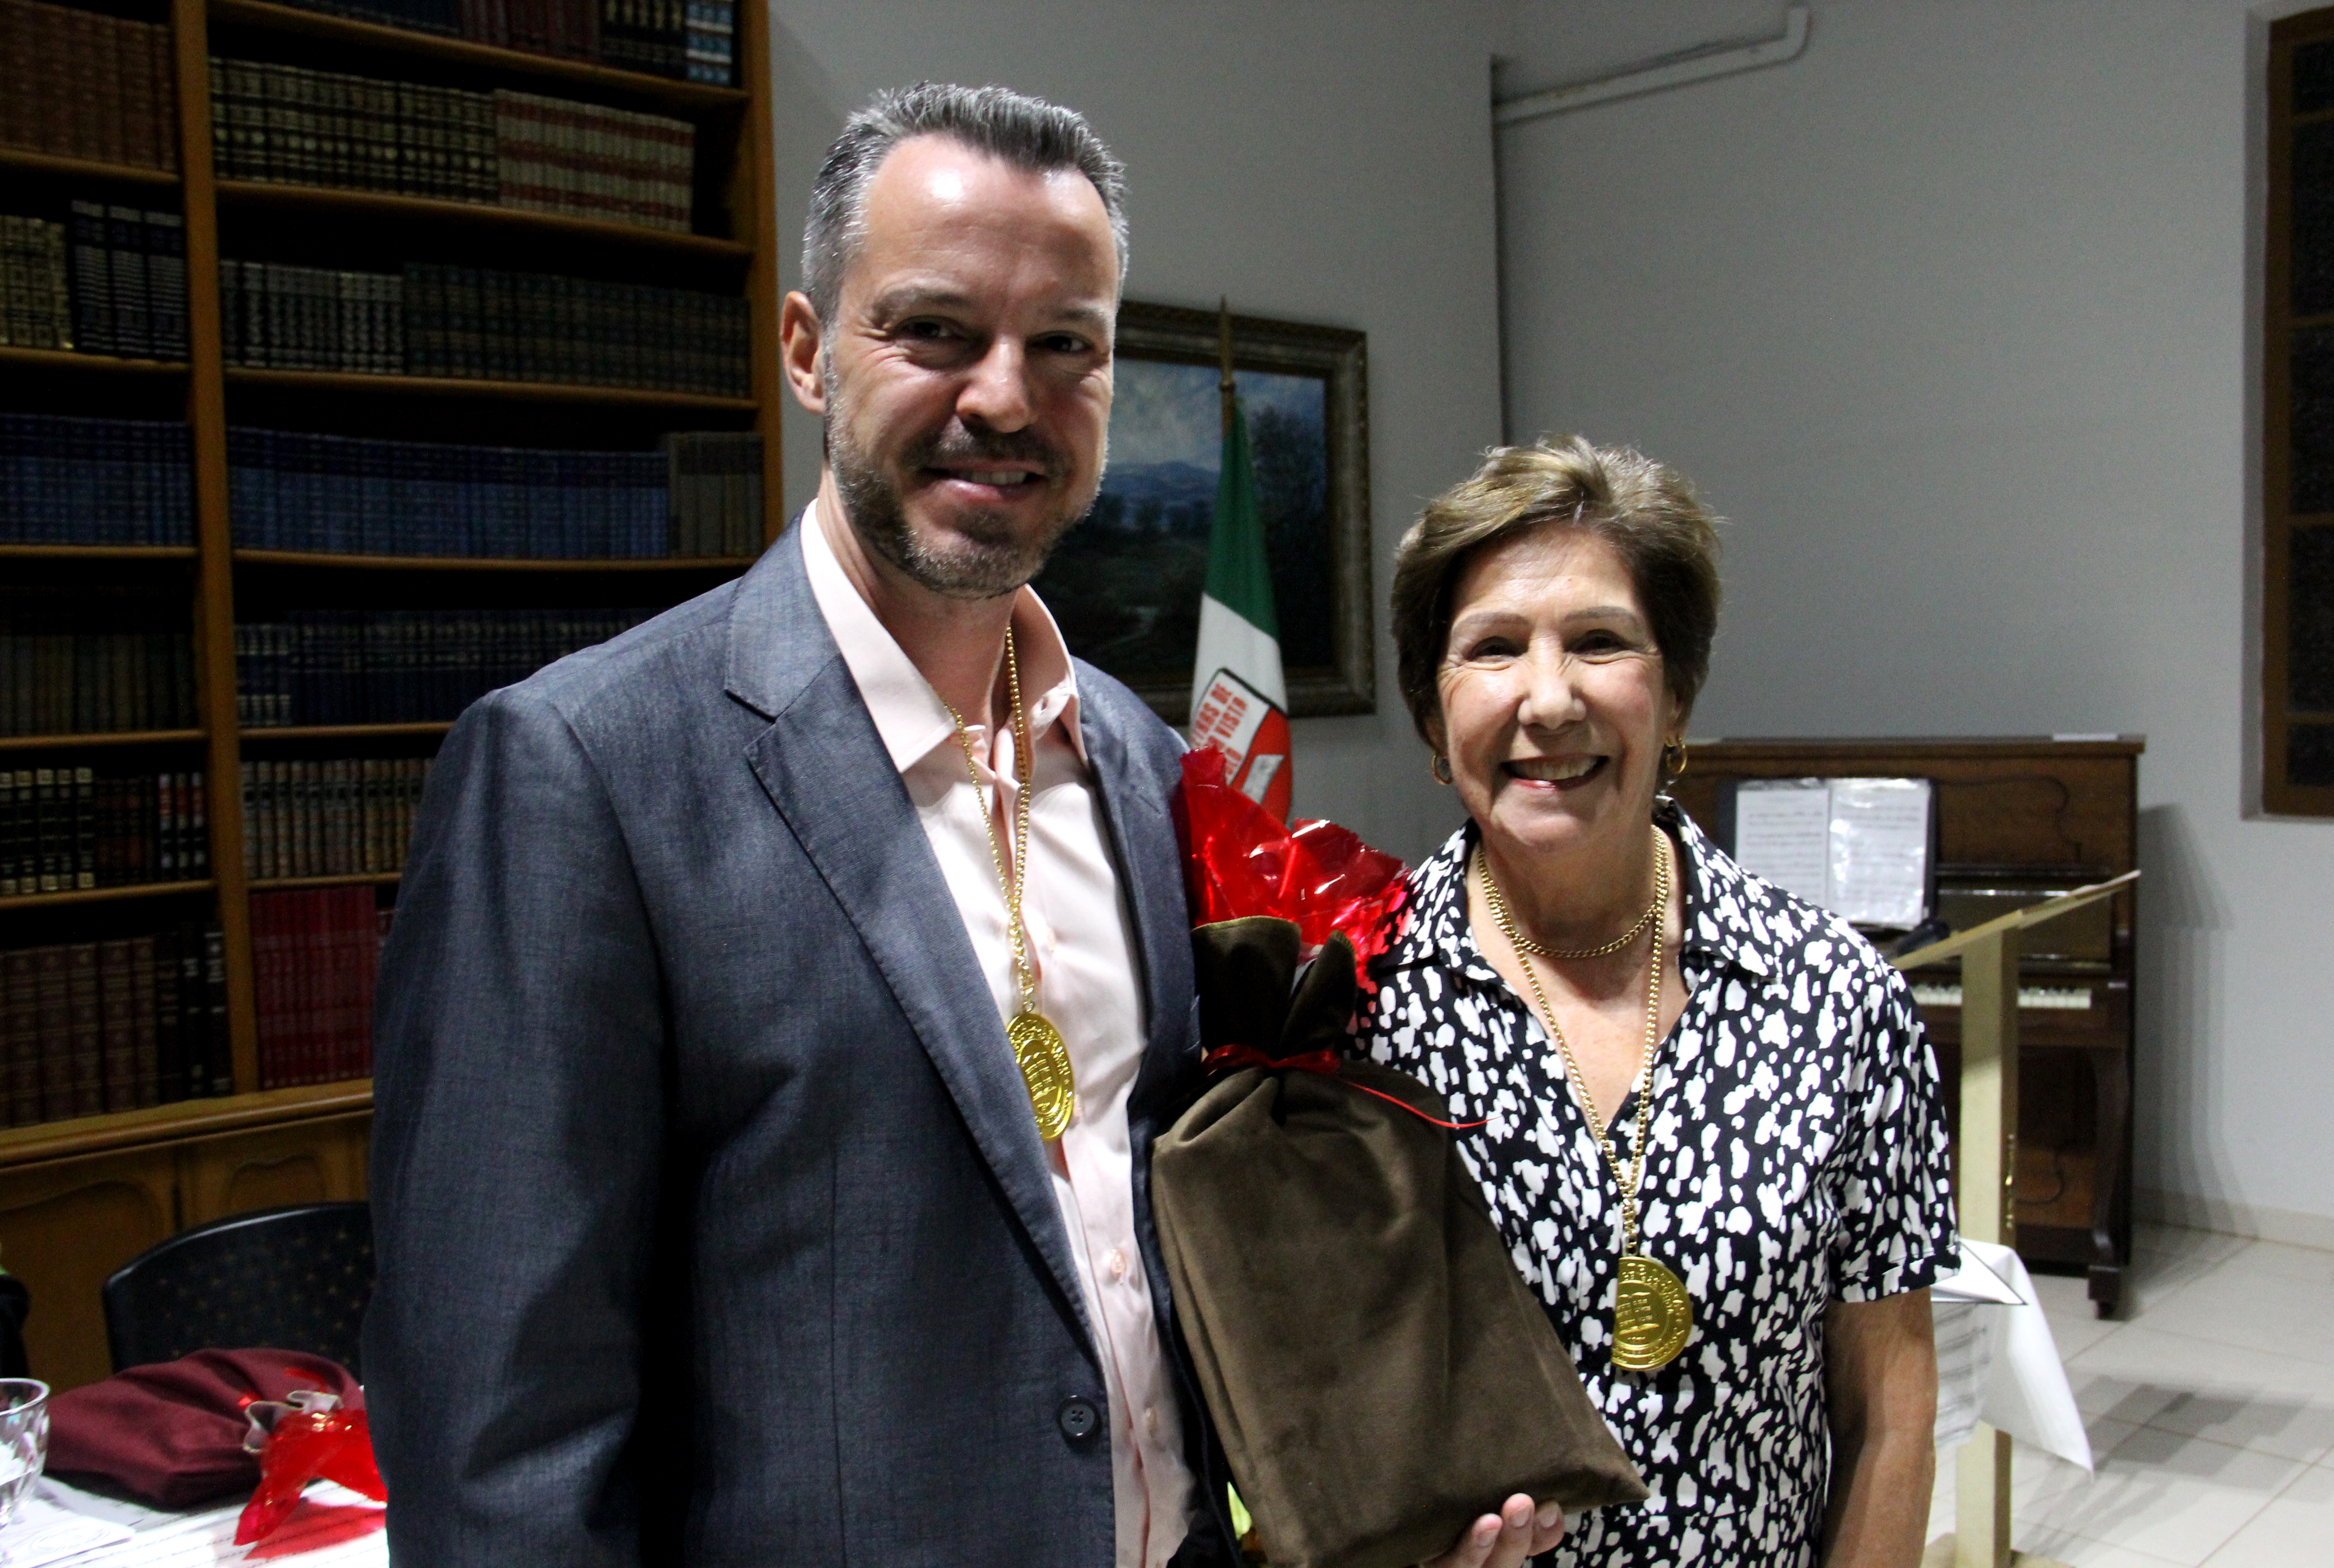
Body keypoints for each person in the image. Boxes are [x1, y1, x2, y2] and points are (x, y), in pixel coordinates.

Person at [364, 84, 1226, 1568]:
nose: (1006, 399)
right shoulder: (584, 771)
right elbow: (499, 1448)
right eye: (937, 331)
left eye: (1063, 346)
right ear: (810, 351)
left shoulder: (1140, 766)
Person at [1360, 436, 1956, 1568]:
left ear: (1674, 697)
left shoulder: (1839, 1003)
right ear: (1436, 722)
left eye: (1599, 642)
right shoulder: (1348, 1011)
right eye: (1492, 649)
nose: (1549, 698)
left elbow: (1891, 1408)